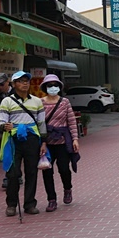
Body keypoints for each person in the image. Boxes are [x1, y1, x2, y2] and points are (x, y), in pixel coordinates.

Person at [0, 71, 47, 217]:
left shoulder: (37, 101)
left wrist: (43, 142)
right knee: (13, 174)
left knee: (31, 172)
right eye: (20, 81)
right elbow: (1, 119)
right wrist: (4, 126)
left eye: (26, 81)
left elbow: (42, 123)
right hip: (13, 139)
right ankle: (11, 204)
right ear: (13, 84)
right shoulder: (7, 101)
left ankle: (30, 204)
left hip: (32, 139)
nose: (25, 83)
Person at [39, 74, 79, 212]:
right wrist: (42, 142)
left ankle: (67, 189)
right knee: (47, 171)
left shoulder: (65, 102)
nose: (53, 88)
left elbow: (71, 121)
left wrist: (75, 139)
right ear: (45, 87)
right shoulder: (40, 102)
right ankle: (51, 199)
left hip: (62, 141)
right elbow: (39, 123)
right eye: (49, 85)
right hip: (46, 142)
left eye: (55, 85)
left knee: (64, 169)